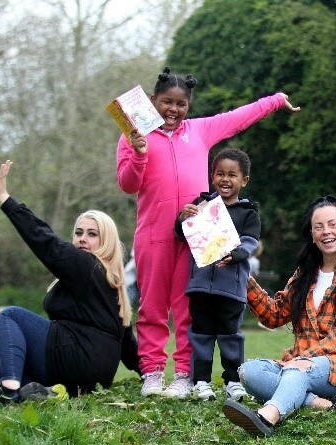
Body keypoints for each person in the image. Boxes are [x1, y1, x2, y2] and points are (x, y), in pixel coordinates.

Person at [116, 66, 299, 399]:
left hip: (196, 237)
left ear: (188, 106)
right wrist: (140, 152)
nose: (172, 110)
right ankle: (153, 372)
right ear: (153, 101)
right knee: (152, 308)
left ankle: (184, 374)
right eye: (166, 102)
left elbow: (237, 117)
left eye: (180, 104)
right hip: (153, 236)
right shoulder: (132, 134)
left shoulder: (198, 131)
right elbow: (128, 184)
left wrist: (274, 101)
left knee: (188, 308)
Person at [0, 161, 140, 408]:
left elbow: (45, 242)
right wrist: (147, 374)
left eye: (92, 234)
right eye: (79, 232)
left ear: (107, 241)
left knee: (11, 316)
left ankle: (8, 392)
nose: (82, 239)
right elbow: (126, 343)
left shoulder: (87, 265)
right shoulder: (112, 282)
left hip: (75, 357)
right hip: (93, 378)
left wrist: (7, 200)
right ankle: (43, 391)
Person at [222, 196, 336, 437]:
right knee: (249, 372)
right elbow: (273, 315)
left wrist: (304, 358)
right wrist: (242, 275)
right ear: (312, 233)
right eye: (319, 227)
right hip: (301, 366)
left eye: (333, 224)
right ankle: (320, 404)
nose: (326, 232)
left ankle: (267, 418)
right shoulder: (304, 274)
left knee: (296, 371)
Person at [175, 148, 259, 402]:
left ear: (244, 180)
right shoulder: (201, 206)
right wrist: (182, 219)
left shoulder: (248, 213)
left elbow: (250, 242)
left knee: (230, 336)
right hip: (200, 286)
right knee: (200, 334)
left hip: (231, 289)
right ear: (212, 176)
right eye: (220, 173)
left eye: (232, 175)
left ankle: (233, 381)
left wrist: (238, 253)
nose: (225, 179)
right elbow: (182, 235)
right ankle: (201, 381)